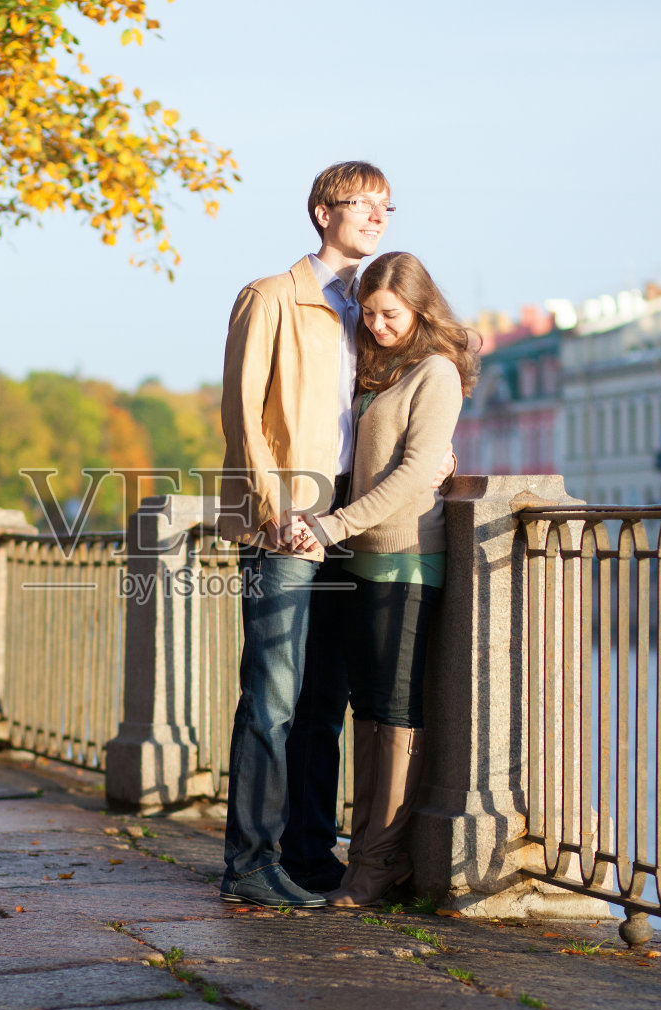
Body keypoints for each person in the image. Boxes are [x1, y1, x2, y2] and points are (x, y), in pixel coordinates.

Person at [214, 161, 395, 908]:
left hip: (347, 524)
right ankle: (250, 864)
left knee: (324, 700)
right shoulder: (271, 298)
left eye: (388, 207)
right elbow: (243, 412)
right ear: (324, 212)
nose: (379, 218)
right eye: (365, 205)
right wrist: (272, 507)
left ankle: (309, 855)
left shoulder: (369, 308)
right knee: (272, 698)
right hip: (285, 526)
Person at [304, 251, 479, 908]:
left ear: (420, 309)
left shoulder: (436, 371)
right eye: (370, 314)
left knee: (396, 713)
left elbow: (412, 474)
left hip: (406, 556)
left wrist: (332, 526)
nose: (377, 325)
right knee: (367, 711)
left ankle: (379, 865)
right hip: (357, 556)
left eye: (390, 314)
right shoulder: (374, 369)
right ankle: (365, 855)